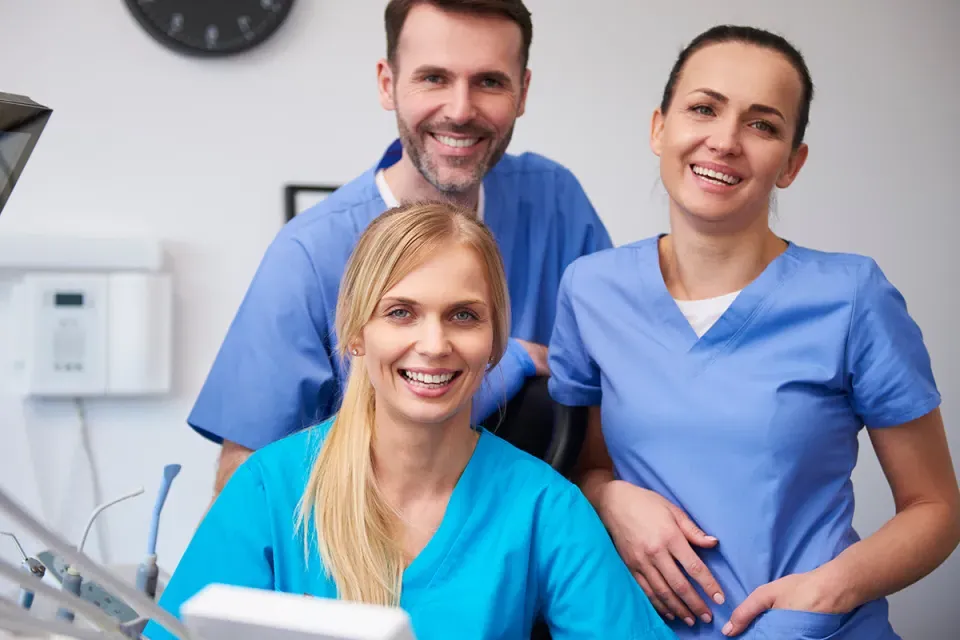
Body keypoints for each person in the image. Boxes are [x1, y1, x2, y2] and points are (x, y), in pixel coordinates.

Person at [547, 24, 960, 640]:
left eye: (762, 124)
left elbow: (936, 509)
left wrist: (830, 589)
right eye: (704, 109)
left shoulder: (851, 297)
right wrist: (609, 501)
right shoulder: (591, 290)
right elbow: (584, 467)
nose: (725, 141)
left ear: (792, 163)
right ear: (660, 127)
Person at [143, 203, 675, 640]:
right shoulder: (269, 489)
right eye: (401, 312)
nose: (434, 345)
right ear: (356, 332)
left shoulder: (544, 507)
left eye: (463, 316)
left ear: (493, 344)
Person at [190, 0, 612, 496]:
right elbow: (242, 484)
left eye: (490, 82)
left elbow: (618, 386)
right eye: (433, 78)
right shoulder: (311, 253)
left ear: (522, 92)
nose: (460, 110)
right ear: (388, 83)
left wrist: (606, 489)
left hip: (531, 544)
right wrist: (507, 366)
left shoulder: (554, 202)